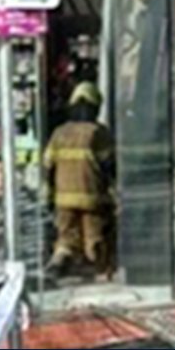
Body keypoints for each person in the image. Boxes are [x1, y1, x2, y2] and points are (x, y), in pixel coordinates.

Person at [43, 83, 116, 279]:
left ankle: (58, 262)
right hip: (93, 197)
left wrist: (49, 195)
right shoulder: (98, 133)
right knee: (94, 237)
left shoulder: (59, 133)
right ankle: (98, 271)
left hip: (63, 199)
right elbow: (110, 165)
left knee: (66, 238)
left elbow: (48, 166)